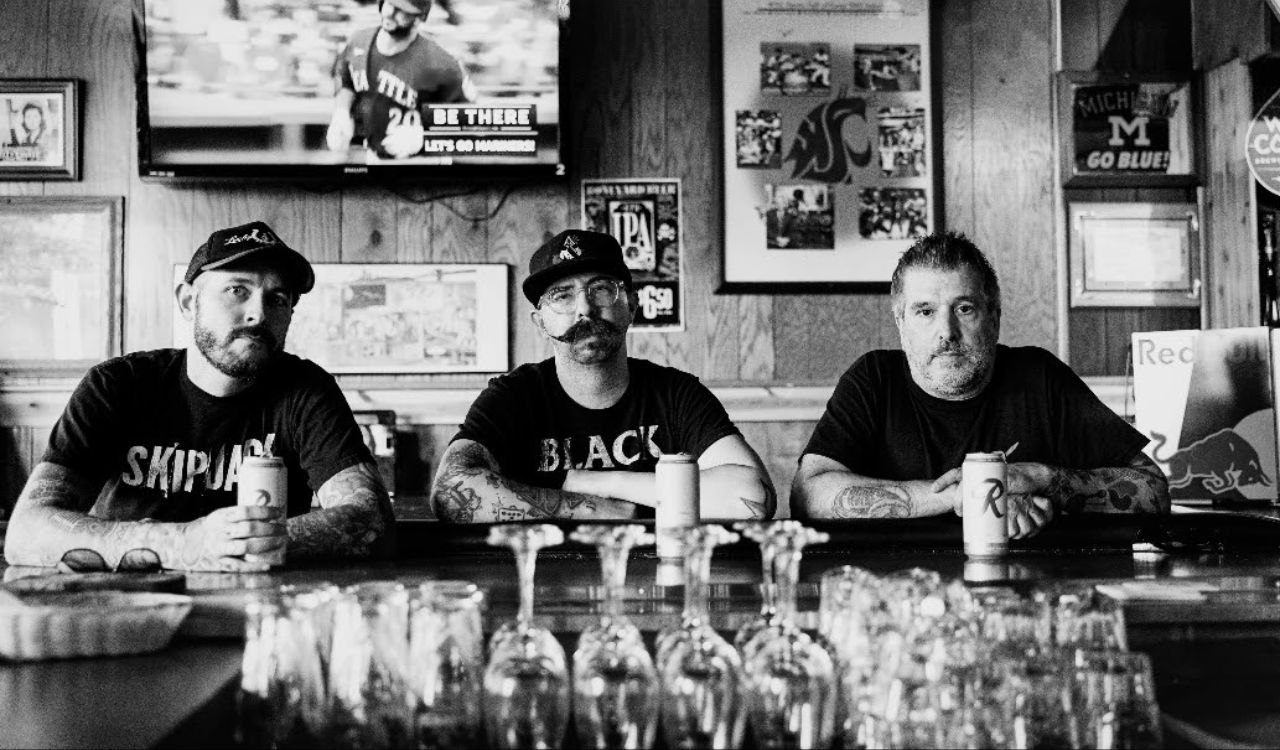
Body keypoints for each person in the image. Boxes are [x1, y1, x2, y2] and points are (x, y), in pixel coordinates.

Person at [3, 221, 396, 572]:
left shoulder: (306, 390)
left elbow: (370, 521)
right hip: (129, 605)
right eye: (237, 290)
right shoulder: (118, 385)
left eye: (277, 299)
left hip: (260, 609)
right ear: (189, 302)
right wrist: (186, 543)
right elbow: (26, 532)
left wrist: (234, 545)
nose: (258, 314)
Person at [791, 231, 1169, 537]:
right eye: (925, 311)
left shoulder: (1038, 376)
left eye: (964, 309)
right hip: (898, 597)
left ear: (995, 317)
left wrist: (1036, 478)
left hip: (1026, 595)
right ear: (900, 322)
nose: (947, 333)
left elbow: (1153, 492)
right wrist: (972, 494)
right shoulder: (874, 379)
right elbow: (808, 495)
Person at [430, 229, 776, 522]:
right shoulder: (513, 397)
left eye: (600, 288)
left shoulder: (674, 392)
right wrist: (599, 511)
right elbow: (450, 491)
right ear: (541, 323)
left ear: (631, 307)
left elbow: (753, 498)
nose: (584, 308)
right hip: (544, 584)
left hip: (657, 581)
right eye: (562, 296)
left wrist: (588, 482)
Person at [326, 0, 476, 159]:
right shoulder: (359, 41)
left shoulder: (442, 64)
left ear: (419, 18)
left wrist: (424, 138)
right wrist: (341, 112)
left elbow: (471, 122)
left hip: (423, 165)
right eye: (389, 3)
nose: (390, 13)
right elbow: (345, 77)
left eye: (401, 10)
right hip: (374, 158)